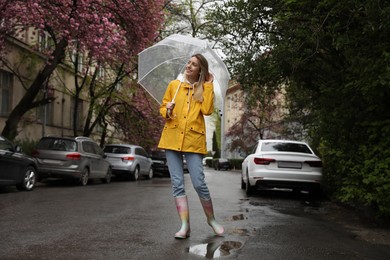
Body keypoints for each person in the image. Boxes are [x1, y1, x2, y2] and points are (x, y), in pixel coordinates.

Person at [158, 53, 224, 239]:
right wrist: (167, 110)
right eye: (188, 63)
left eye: (194, 65)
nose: (189, 66)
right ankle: (185, 226)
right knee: (177, 184)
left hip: (193, 141)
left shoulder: (203, 89)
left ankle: (211, 220)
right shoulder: (174, 86)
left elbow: (208, 110)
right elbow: (163, 109)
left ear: (200, 70)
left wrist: (209, 84)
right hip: (172, 139)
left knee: (199, 183)